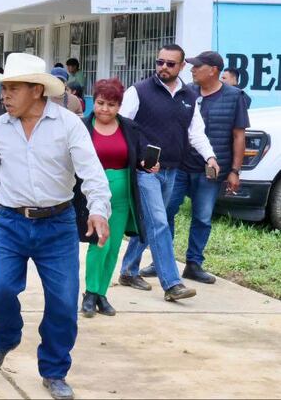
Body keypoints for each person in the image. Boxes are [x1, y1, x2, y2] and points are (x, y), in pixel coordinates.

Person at [0, 53, 111, 400]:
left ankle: (54, 371)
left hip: (58, 226)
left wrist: (99, 210)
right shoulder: (0, 129)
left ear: (36, 90)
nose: (5, 96)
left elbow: (91, 171)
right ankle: (5, 337)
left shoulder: (68, 124)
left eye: (13, 88)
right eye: (4, 89)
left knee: (63, 303)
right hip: (10, 223)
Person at [116, 44, 217, 301]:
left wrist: (210, 156)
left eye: (170, 64)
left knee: (149, 223)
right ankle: (172, 284)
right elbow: (122, 128)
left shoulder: (189, 96)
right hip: (145, 171)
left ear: (181, 66)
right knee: (159, 223)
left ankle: (128, 271)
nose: (163, 67)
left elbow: (196, 133)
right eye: (160, 62)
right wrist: (137, 161)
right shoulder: (138, 91)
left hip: (172, 170)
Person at [170, 51, 248, 284]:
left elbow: (238, 136)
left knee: (202, 217)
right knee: (166, 211)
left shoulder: (234, 97)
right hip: (181, 165)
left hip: (210, 171)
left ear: (213, 70)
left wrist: (235, 171)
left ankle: (193, 264)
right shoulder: (187, 93)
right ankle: (162, 260)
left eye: (197, 66)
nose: (191, 70)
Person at [80, 78, 155, 318]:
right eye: (100, 103)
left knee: (112, 247)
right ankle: (90, 293)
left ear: (119, 106)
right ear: (94, 101)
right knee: (98, 243)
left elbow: (139, 156)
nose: (104, 109)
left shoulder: (129, 127)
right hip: (92, 194)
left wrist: (148, 164)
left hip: (122, 194)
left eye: (111, 105)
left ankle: (102, 293)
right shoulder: (82, 127)